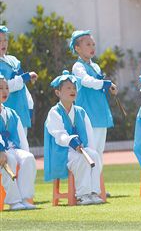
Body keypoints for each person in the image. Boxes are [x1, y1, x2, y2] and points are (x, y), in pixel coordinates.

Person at [44, 70, 103, 205]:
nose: (73, 90)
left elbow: (89, 134)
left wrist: (89, 149)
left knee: (93, 155)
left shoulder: (81, 112)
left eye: (74, 88)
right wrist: (71, 141)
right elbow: (59, 134)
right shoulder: (54, 112)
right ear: (58, 93)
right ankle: (82, 195)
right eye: (68, 88)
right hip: (62, 152)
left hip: (80, 149)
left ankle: (94, 192)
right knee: (80, 159)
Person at [70, 30, 117, 165]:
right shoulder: (78, 66)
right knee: (90, 150)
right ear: (77, 48)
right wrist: (104, 83)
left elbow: (98, 83)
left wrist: (110, 86)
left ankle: (97, 184)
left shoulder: (95, 66)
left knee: (99, 150)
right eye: (88, 44)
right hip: (88, 112)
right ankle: (88, 185)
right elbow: (86, 81)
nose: (92, 47)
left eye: (93, 44)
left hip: (100, 111)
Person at [0, 74, 36, 210]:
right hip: (1, 152)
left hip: (12, 150)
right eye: (0, 88)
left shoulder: (12, 113)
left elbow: (22, 139)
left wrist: (25, 154)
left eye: (6, 88)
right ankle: (13, 201)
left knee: (28, 158)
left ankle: (24, 198)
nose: (4, 91)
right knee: (10, 160)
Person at [0, 25, 37, 141]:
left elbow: (23, 87)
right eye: (0, 41)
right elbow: (5, 86)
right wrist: (25, 78)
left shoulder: (14, 60)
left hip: (21, 112)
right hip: (5, 115)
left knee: (22, 150)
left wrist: (30, 106)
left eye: (5, 40)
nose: (3, 44)